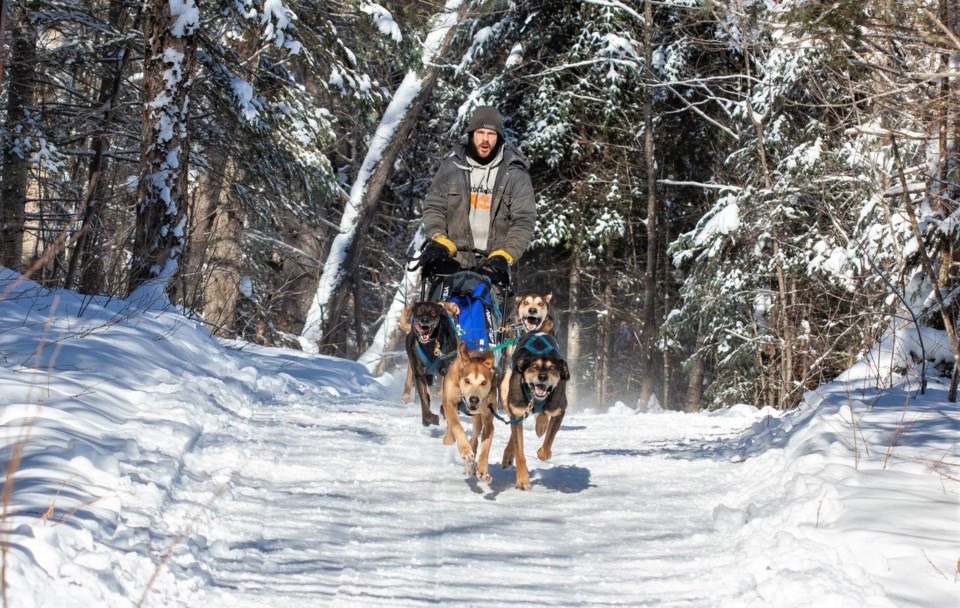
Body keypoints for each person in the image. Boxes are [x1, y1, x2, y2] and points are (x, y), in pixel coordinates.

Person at [418, 105, 536, 290]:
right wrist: (439, 238)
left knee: (488, 318)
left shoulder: (515, 173)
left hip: (492, 267)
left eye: (491, 134)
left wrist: (505, 254)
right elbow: (434, 206)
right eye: (480, 132)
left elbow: (524, 221)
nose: (485, 140)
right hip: (450, 262)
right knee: (437, 316)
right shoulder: (451, 167)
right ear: (471, 134)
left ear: (500, 137)